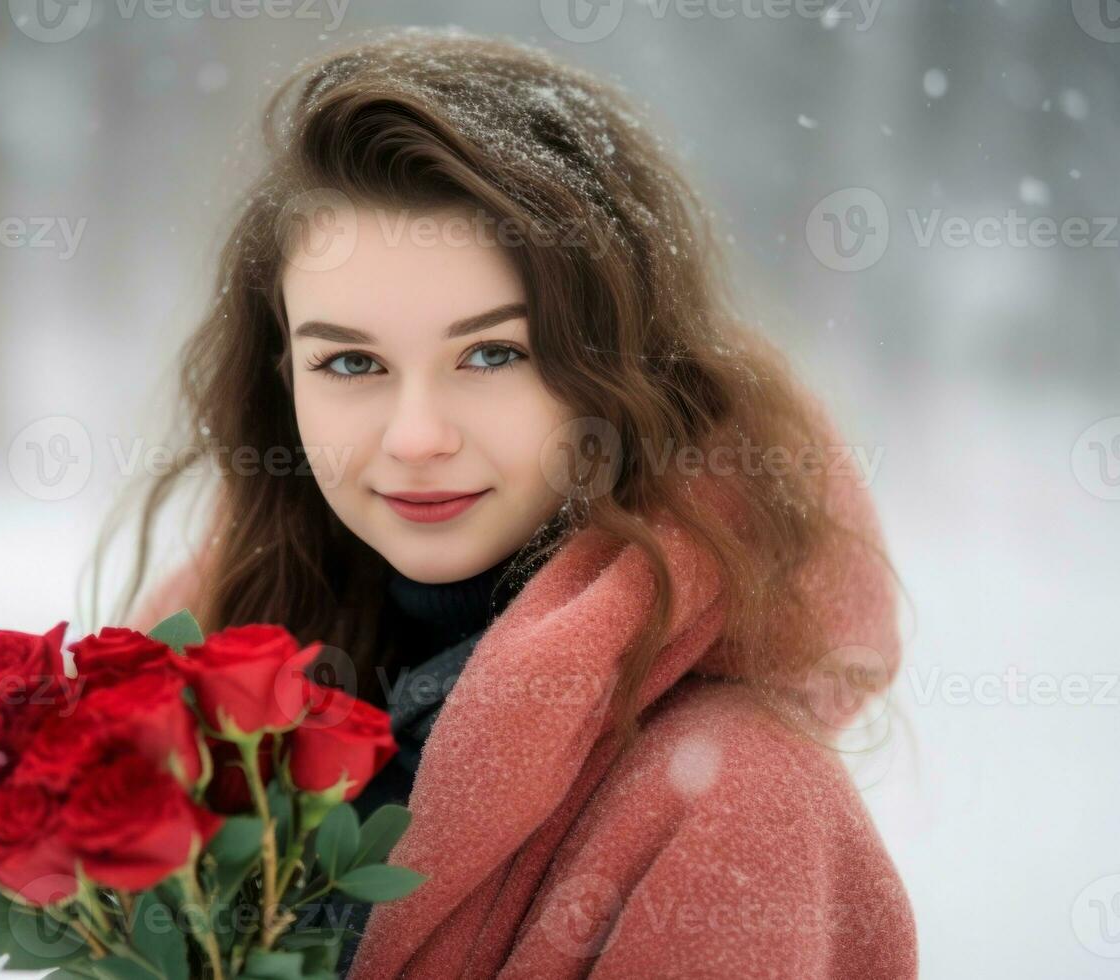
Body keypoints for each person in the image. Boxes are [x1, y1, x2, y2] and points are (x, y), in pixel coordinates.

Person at [106, 27, 917, 979]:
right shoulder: (211, 696)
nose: (415, 436)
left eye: (492, 354)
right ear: (284, 378)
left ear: (618, 376)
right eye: (352, 362)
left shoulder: (733, 797)